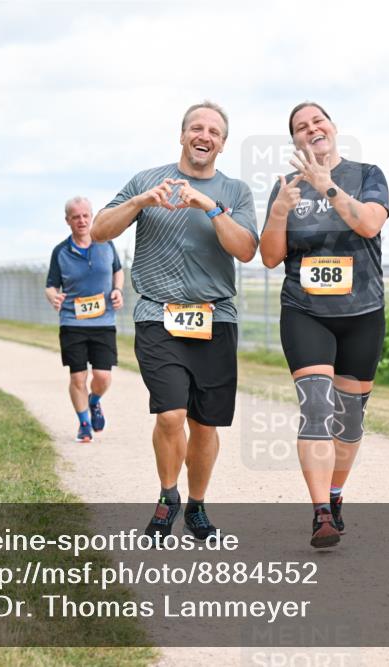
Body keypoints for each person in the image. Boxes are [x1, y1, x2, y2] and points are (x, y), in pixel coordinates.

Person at [92, 101, 258, 541]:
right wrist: (141, 201)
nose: (205, 136)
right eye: (196, 128)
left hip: (215, 318)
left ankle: (198, 506)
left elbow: (245, 249)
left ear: (222, 143)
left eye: (215, 132)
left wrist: (209, 207)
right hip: (157, 315)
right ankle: (169, 497)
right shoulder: (147, 180)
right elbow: (100, 230)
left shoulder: (236, 191)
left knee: (204, 424)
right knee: (170, 414)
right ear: (182, 135)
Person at [260, 102, 389, 548]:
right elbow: (272, 257)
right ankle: (320, 514)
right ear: (294, 139)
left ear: (332, 128)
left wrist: (327, 186)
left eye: (317, 121)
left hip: (361, 312)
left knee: (350, 419)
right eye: (301, 127)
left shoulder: (368, 173)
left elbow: (370, 225)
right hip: (305, 310)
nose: (311, 129)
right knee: (316, 408)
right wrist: (279, 211)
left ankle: (335, 495)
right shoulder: (286, 187)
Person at [45, 196, 125, 443]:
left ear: (91, 217)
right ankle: (83, 424)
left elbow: (117, 271)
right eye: (75, 217)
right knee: (78, 377)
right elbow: (50, 285)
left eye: (85, 215)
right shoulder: (60, 251)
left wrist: (118, 290)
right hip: (72, 322)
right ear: (68, 220)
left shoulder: (107, 244)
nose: (81, 221)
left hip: (103, 322)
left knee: (102, 377)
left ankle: (94, 401)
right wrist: (54, 298)